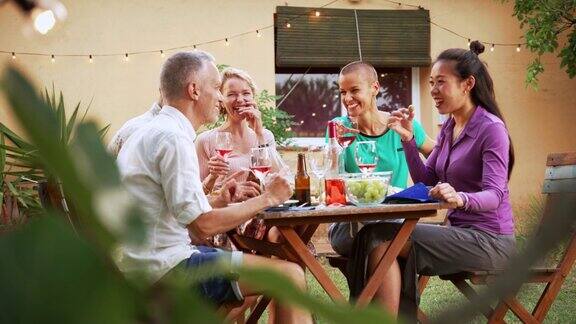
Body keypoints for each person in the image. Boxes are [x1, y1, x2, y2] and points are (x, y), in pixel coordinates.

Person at [115, 50, 312, 324]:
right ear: (194, 90)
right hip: (167, 270)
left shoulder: (152, 131)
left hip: (144, 264)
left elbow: (177, 211)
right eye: (217, 88)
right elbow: (202, 227)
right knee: (289, 275)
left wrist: (220, 199)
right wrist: (267, 197)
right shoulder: (173, 138)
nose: (220, 98)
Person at [357, 41, 516, 320]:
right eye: (431, 82)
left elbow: (495, 195)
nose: (432, 90)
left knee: (381, 236)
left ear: (467, 84)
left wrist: (461, 198)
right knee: (376, 233)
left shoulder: (492, 130)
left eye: (440, 82)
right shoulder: (450, 127)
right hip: (456, 232)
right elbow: (426, 178)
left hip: (490, 241)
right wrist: (408, 140)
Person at [328, 61, 435, 257]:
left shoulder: (401, 126)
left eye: (354, 90)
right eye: (343, 92)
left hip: (394, 220)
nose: (347, 98)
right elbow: (331, 178)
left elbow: (440, 157)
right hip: (351, 225)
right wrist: (336, 147)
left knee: (385, 239)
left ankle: (370, 289)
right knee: (383, 240)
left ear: (374, 88)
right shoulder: (339, 128)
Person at [196, 67, 289, 245]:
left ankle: (279, 267)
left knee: (290, 230)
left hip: (265, 211)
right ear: (221, 100)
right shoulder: (206, 140)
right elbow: (197, 196)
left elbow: (280, 176)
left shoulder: (265, 135)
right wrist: (217, 180)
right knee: (282, 236)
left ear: (253, 98)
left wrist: (260, 133)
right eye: (231, 94)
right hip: (230, 221)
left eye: (246, 93)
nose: (240, 99)